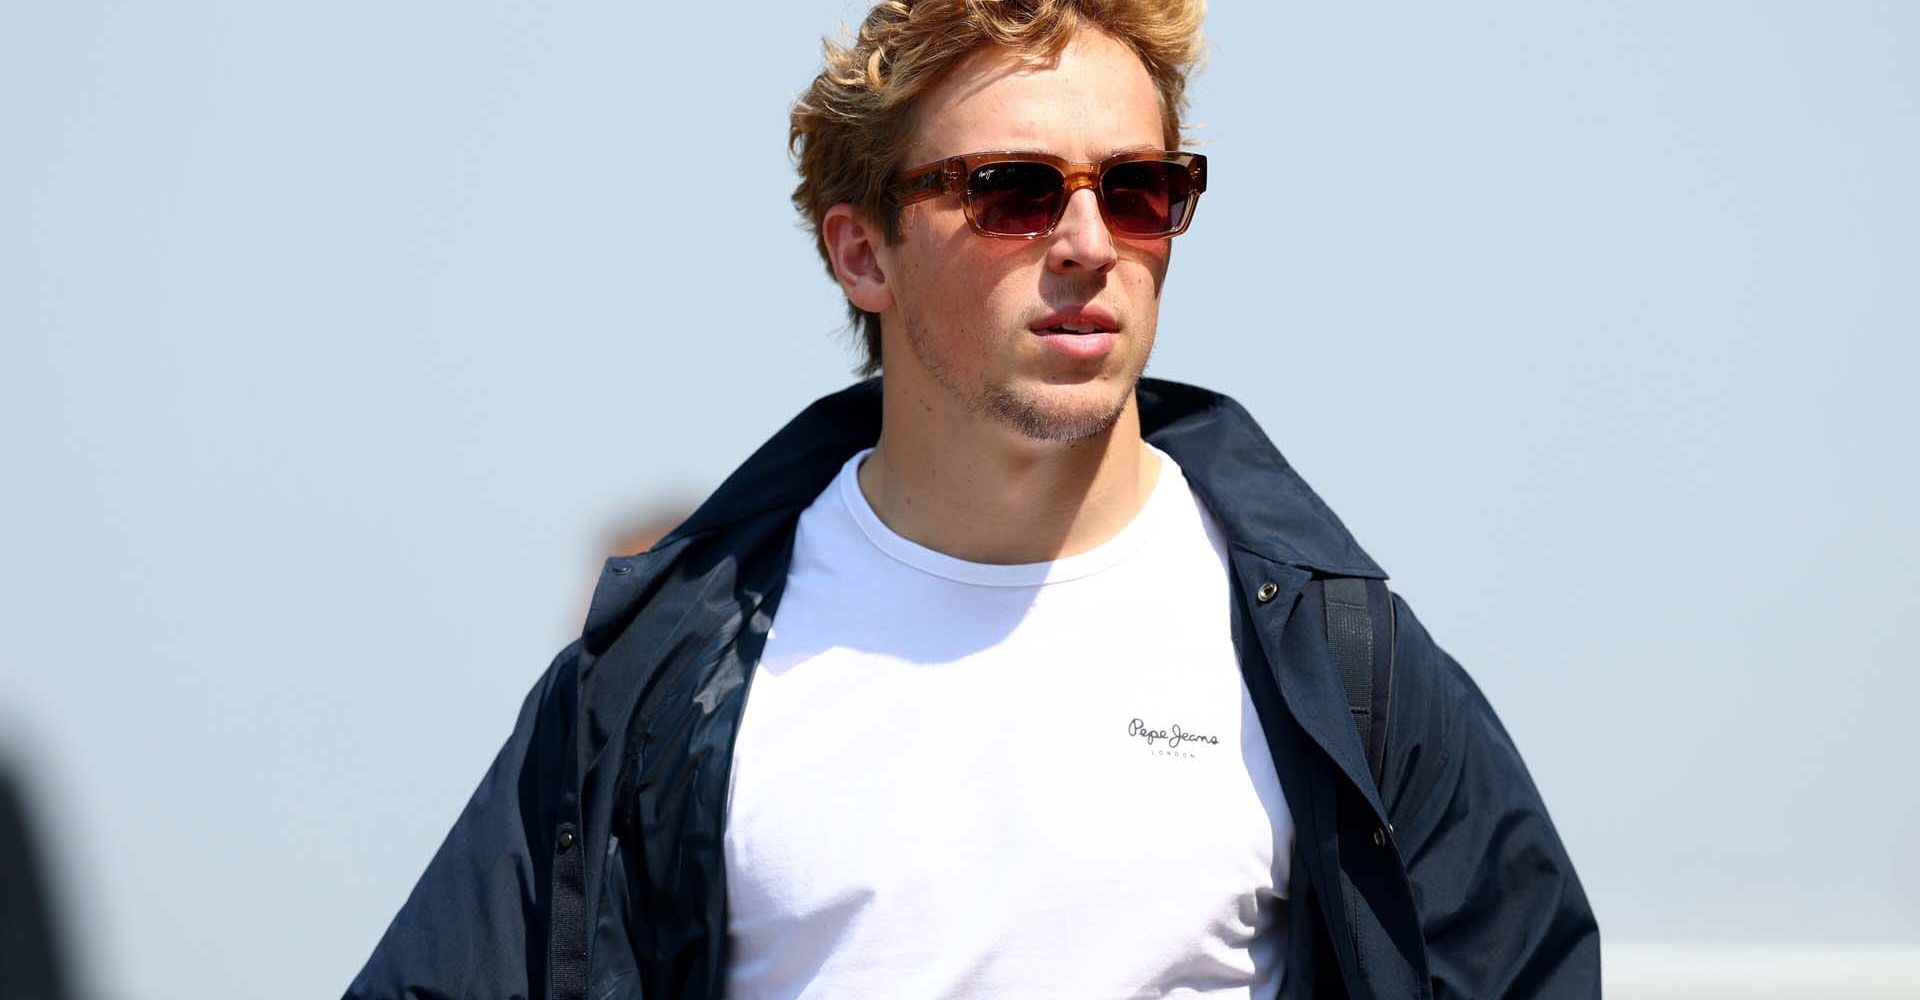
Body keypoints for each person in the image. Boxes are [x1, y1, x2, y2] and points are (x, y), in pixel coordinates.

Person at [345, 1, 1599, 997]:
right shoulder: (660, 676)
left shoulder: (1337, 658)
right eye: (1013, 190)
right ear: (861, 251)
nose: (1090, 241)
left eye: (1141, 188)